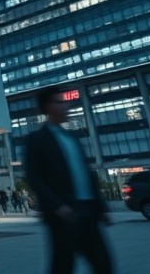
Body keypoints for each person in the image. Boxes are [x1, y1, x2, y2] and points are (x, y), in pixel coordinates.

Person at [25, 86, 113, 274]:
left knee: (104, 265)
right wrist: (57, 206)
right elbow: (33, 177)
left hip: (87, 211)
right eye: (59, 102)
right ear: (47, 107)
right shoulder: (36, 139)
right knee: (63, 266)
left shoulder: (72, 137)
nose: (66, 106)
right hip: (62, 214)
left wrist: (101, 208)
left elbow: (86, 175)